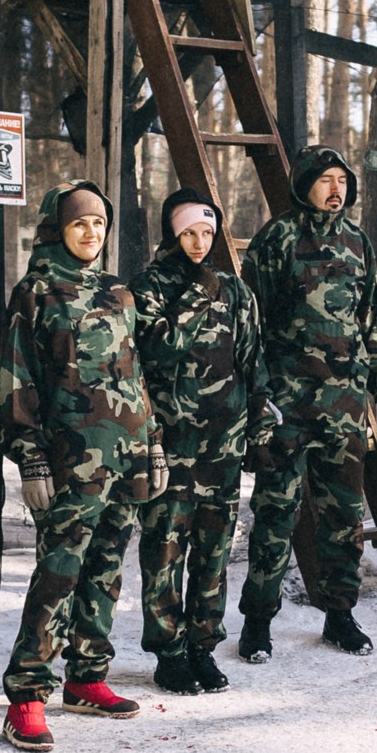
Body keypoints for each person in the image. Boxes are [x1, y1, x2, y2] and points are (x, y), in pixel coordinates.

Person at [0, 182, 166, 750]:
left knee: (106, 571)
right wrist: (30, 457)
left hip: (125, 456)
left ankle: (87, 678)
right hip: (70, 461)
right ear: (56, 230)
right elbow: (17, 382)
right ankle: (26, 696)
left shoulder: (120, 292)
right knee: (58, 575)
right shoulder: (35, 293)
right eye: (79, 224)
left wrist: (153, 444)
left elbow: (136, 375)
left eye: (99, 224)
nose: (92, 233)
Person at [235, 146, 377, 662]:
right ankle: (258, 622)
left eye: (342, 180)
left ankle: (340, 616)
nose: (336, 188)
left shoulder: (357, 243)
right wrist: (260, 396)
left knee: (344, 518)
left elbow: (371, 320)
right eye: (325, 179)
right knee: (275, 515)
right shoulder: (275, 239)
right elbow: (250, 328)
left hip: (345, 408)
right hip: (287, 407)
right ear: (304, 184)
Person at [129, 188, 270, 695]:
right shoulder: (147, 288)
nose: (198, 242)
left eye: (207, 233)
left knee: (213, 555)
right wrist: (193, 297)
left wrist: (259, 420)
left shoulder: (235, 291)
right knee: (164, 552)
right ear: (172, 231)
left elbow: (254, 363)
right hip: (170, 449)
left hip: (223, 451)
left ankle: (202, 647)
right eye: (189, 232)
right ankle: (168, 653)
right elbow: (153, 356)